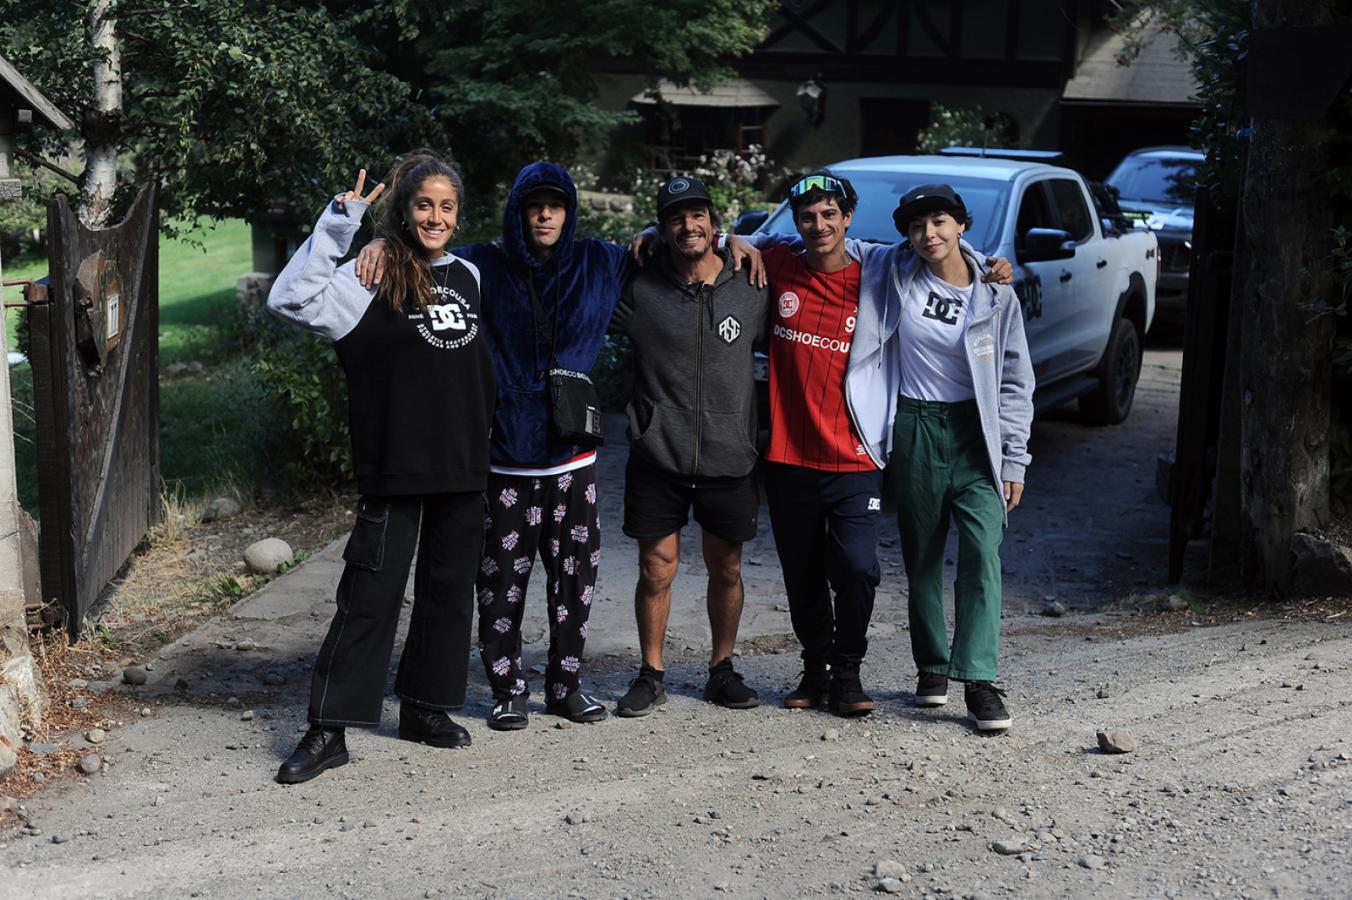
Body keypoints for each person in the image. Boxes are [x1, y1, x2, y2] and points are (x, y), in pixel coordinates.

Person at [356, 164, 764, 731]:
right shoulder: (481, 266)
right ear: (518, 211)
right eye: (534, 206)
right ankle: (507, 689)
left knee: (575, 576)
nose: (545, 215)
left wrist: (727, 237)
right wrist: (383, 238)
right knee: (501, 579)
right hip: (505, 454)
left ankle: (566, 685)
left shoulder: (601, 262)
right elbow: (427, 251)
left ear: (569, 212)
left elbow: (677, 245)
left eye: (556, 205)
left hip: (573, 455)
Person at [741, 172, 1013, 717]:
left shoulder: (921, 278)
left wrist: (987, 263)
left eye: (830, 214)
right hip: (836, 442)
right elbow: (711, 244)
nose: (819, 225)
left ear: (848, 218)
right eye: (807, 216)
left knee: (893, 563)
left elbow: (1013, 375)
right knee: (854, 566)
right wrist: (732, 238)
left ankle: (932, 675)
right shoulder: (820, 264)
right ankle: (852, 668)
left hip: (901, 443)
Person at [267, 152, 496, 783]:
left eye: (447, 206)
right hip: (396, 464)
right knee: (369, 596)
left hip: (463, 465)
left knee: (449, 596)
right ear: (405, 209)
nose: (436, 217)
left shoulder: (470, 275)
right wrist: (344, 226)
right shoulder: (372, 274)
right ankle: (329, 729)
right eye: (425, 204)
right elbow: (289, 299)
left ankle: (425, 708)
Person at [608, 177, 769, 717]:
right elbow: (576, 272)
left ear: (716, 223)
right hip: (658, 455)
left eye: (698, 214)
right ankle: (651, 673)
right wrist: (644, 235)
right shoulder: (638, 286)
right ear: (663, 227)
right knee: (657, 567)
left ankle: (721, 670)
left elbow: (816, 258)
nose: (688, 226)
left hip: (730, 453)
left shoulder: (751, 282)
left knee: (727, 567)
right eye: (675, 218)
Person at [888, 184, 1033, 732]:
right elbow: (822, 242)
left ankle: (979, 680)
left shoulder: (997, 295)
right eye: (918, 225)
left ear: (962, 226)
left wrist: (1014, 459)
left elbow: (1017, 379)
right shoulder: (894, 274)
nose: (930, 234)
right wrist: (734, 238)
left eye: (940, 222)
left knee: (982, 550)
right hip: (917, 425)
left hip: (979, 434)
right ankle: (931, 665)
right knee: (921, 555)